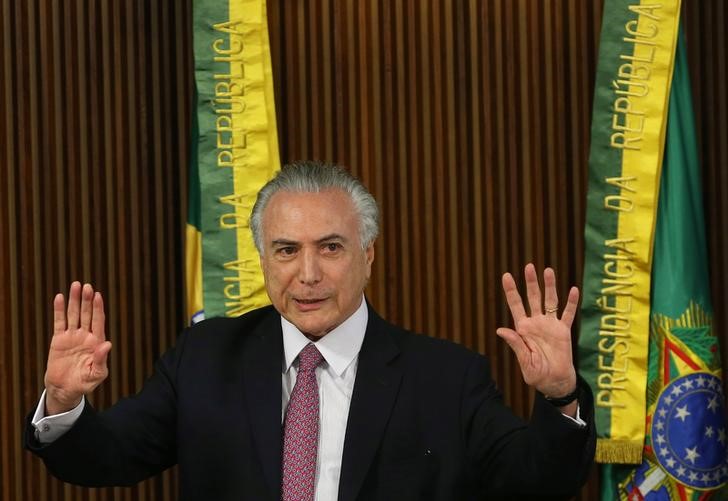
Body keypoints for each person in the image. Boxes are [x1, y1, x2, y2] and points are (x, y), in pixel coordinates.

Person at [26, 161, 595, 500]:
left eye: (330, 247)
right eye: (286, 250)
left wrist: (559, 396)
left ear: (368, 255)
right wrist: (64, 402)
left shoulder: (445, 376)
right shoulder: (204, 358)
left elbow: (538, 484)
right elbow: (106, 459)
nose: (308, 274)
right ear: (264, 259)